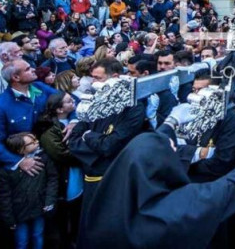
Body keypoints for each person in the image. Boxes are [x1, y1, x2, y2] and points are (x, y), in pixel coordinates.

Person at [78, 108, 235, 249]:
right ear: (159, 166)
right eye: (171, 151)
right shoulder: (174, 208)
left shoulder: (106, 200)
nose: (176, 150)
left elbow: (147, 151)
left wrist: (170, 123)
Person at [68, 58, 146, 227]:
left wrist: (88, 136)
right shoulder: (93, 101)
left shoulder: (133, 107)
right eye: (93, 77)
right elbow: (73, 141)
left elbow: (110, 145)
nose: (93, 83)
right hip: (93, 176)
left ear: (115, 77)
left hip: (116, 178)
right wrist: (97, 145)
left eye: (98, 78)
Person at [34, 92, 83, 248]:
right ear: (59, 109)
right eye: (69, 101)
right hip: (63, 175)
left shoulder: (73, 120)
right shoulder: (48, 129)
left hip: (75, 174)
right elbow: (60, 154)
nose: (73, 102)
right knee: (64, 213)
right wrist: (86, 153)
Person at [0, 132, 58, 249]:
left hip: (39, 207)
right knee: (22, 241)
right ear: (21, 150)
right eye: (32, 142)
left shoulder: (44, 158)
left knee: (38, 235)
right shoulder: (7, 170)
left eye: (35, 139)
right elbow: (4, 196)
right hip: (19, 212)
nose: (37, 141)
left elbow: (52, 179)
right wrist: (8, 219)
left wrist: (49, 201)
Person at [0, 60, 58, 171]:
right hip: (27, 166)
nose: (33, 69)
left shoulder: (40, 87)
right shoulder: (2, 105)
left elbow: (66, 99)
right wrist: (18, 161)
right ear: (16, 78)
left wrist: (72, 121)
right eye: (27, 69)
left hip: (52, 153)